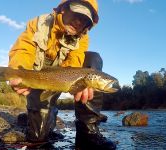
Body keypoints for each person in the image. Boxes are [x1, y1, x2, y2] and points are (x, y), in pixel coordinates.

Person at [8, 0, 116, 149]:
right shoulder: (40, 23)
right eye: (77, 14)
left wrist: (80, 84)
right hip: (37, 81)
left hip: (61, 79)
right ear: (63, 9)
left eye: (85, 20)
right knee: (38, 138)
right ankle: (49, 112)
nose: (79, 22)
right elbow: (24, 48)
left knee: (93, 59)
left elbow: (74, 63)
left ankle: (88, 133)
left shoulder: (82, 38)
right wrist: (17, 72)